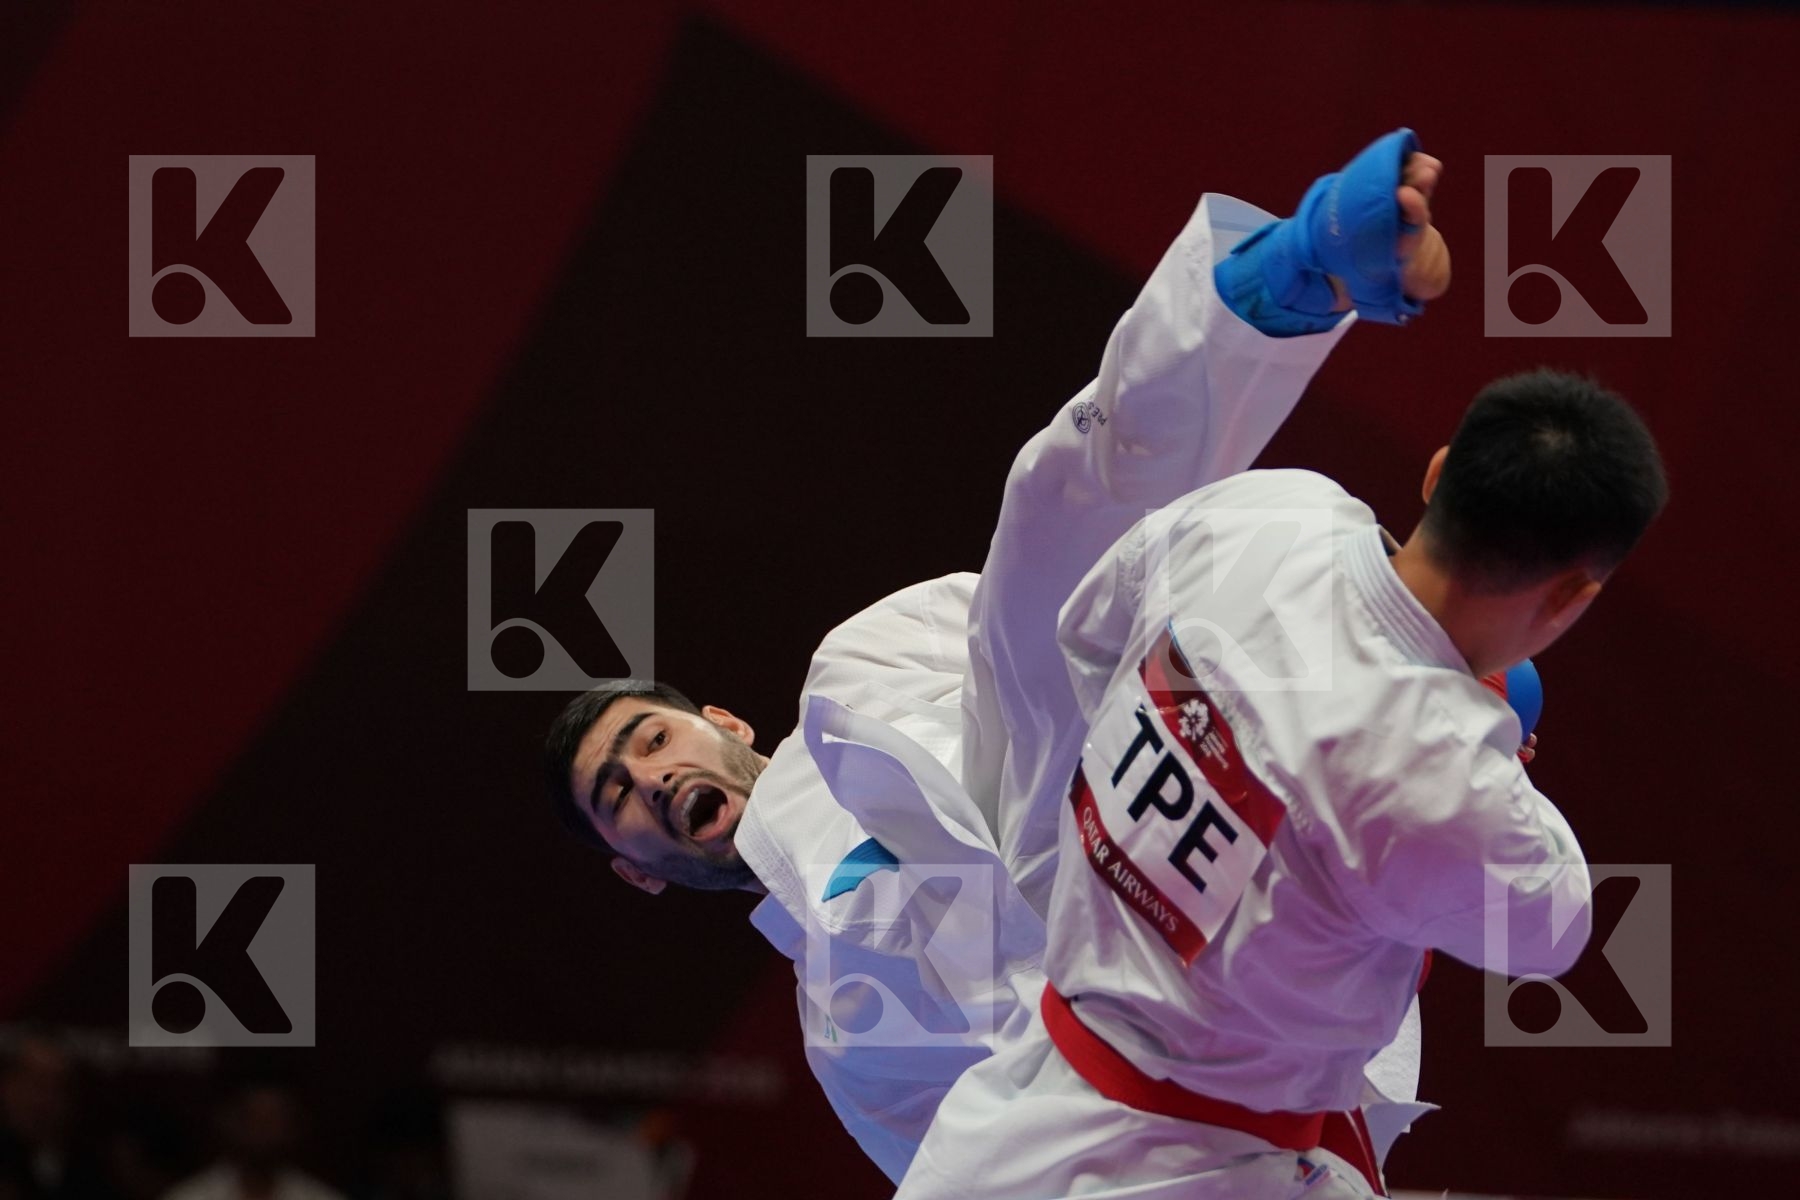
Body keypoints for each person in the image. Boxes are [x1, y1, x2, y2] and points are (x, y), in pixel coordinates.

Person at [543, 130, 1455, 1183]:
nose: (653, 778)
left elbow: (1071, 626)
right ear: (635, 871)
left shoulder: (860, 678)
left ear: (723, 724)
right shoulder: (851, 1047)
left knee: (1050, 564)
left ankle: (1288, 286)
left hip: (1093, 825)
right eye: (618, 792)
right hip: (1235, 1092)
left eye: (650, 739)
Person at [891, 381, 1667, 1194]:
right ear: (1576, 594)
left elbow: (1087, 635)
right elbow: (1551, 930)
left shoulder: (1269, 513)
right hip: (1200, 1168)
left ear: (1438, 474)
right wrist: (1493, 748)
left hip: (1003, 1120)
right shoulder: (1448, 778)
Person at [163, 1082, 343, 1200]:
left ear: (294, 1128)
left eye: (274, 1121)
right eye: (253, 1119)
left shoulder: (319, 1197)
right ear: (228, 1124)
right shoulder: (189, 1196)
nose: (263, 1131)